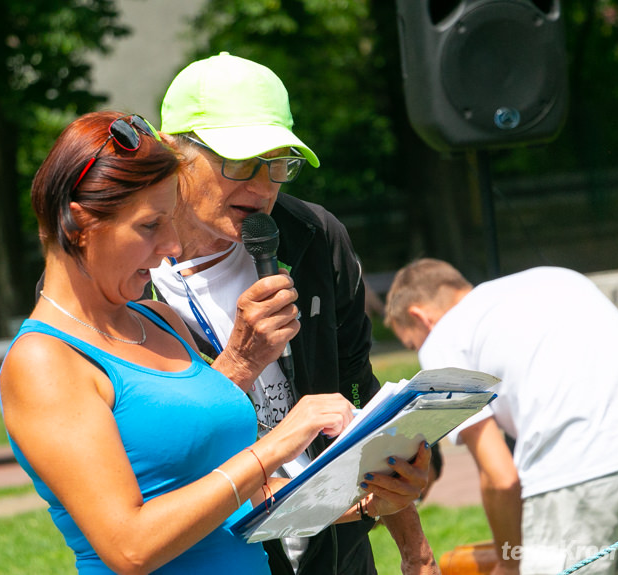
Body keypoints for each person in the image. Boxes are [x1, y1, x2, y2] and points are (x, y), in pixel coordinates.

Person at [0, 111, 429, 575]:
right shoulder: (44, 360)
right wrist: (277, 445)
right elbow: (130, 548)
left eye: (169, 221)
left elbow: (237, 504)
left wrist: (368, 500)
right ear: (78, 224)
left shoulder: (161, 322)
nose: (170, 246)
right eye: (149, 226)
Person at [144, 52, 438, 575]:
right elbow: (150, 454)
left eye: (278, 163)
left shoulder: (314, 236)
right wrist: (239, 361)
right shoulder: (122, 274)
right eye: (239, 162)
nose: (262, 188)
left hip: (339, 552)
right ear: (173, 152)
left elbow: (355, 390)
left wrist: (415, 548)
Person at [385, 258, 618, 575]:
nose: (420, 351)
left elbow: (501, 478)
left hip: (574, 469)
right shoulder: (559, 277)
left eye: (413, 343)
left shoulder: (442, 338)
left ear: (420, 317)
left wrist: (509, 565)